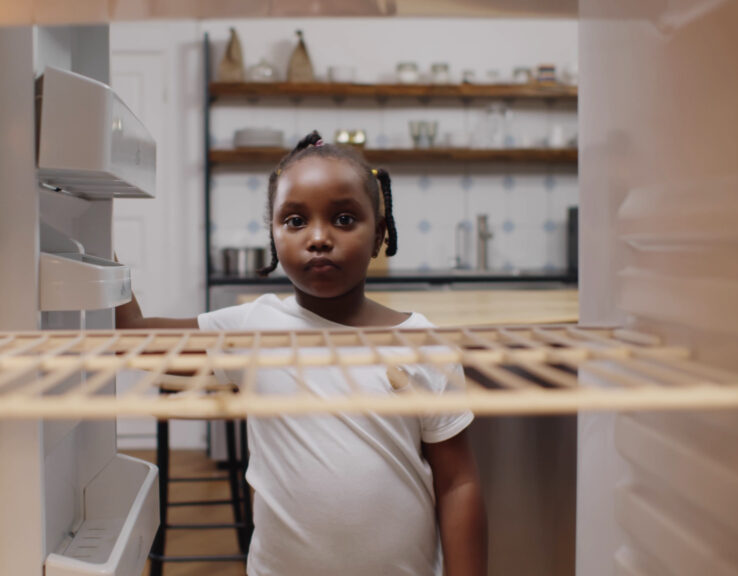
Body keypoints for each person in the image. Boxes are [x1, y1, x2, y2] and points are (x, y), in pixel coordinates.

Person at [116, 131, 487, 576]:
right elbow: (135, 337)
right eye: (295, 221)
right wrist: (94, 245)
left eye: (344, 219)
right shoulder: (252, 327)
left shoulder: (421, 341)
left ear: (379, 237)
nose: (318, 237)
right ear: (274, 238)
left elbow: (458, 483)